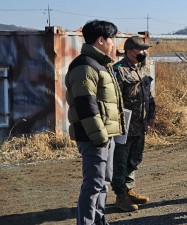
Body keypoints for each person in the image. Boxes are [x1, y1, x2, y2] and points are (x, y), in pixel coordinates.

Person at [65, 20, 125, 225]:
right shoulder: (84, 66)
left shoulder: (101, 64)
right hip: (94, 137)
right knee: (93, 184)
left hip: (105, 136)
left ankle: (99, 221)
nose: (114, 44)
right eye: (112, 39)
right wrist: (100, 138)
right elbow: (86, 105)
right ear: (101, 40)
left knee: (103, 182)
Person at [111, 36, 155, 211]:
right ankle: (121, 196)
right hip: (125, 126)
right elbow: (113, 100)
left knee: (134, 160)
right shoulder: (118, 70)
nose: (143, 53)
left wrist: (151, 115)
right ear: (129, 52)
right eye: (140, 50)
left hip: (140, 124)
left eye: (144, 50)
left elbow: (148, 96)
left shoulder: (142, 69)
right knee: (120, 162)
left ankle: (129, 189)